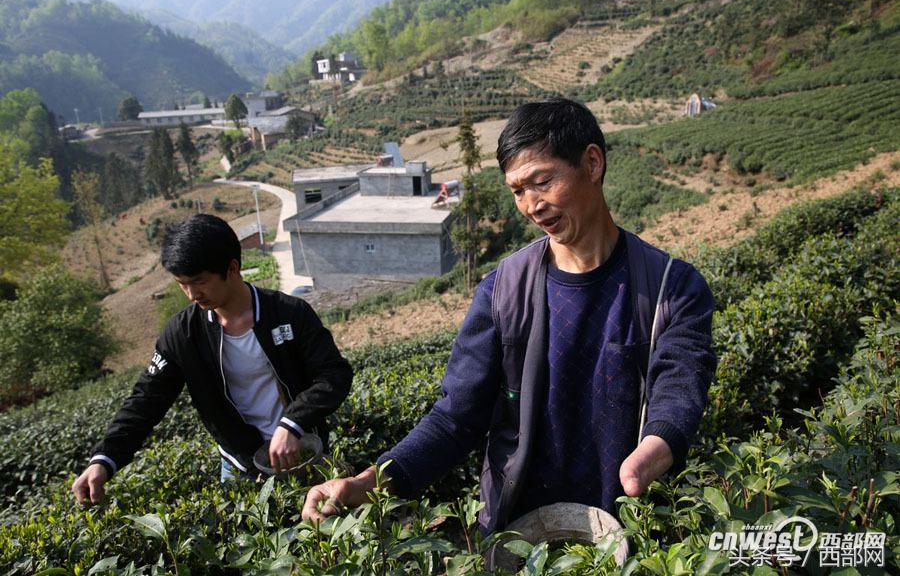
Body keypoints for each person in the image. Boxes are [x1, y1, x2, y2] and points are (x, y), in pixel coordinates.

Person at [301, 98, 716, 533]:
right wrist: (372, 482)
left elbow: (679, 384)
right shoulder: (502, 291)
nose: (532, 205)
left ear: (592, 163)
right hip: (519, 532)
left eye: (542, 182)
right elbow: (457, 416)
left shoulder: (672, 287)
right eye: (518, 191)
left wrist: (657, 446)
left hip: (628, 526)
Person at [73, 214, 353, 504]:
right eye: (182, 284)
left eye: (199, 282)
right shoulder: (183, 335)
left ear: (232, 268)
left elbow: (334, 375)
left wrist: (292, 423)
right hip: (240, 467)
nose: (192, 294)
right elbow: (146, 399)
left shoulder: (289, 314)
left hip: (304, 453)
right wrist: (104, 459)